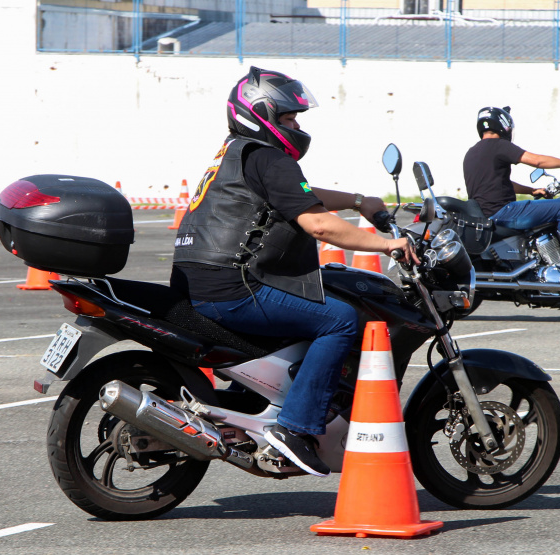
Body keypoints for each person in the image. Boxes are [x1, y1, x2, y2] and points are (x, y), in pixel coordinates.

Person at [170, 67, 418, 477]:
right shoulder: (268, 156)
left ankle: (255, 401)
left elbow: (301, 194)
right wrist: (388, 243)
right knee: (340, 319)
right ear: (262, 113)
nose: (297, 126)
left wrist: (358, 200)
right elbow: (318, 223)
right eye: (289, 118)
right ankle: (297, 428)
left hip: (199, 281)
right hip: (233, 287)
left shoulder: (238, 151)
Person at [462, 106, 560, 280]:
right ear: (504, 125)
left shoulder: (471, 153)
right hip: (504, 211)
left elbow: (500, 184)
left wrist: (532, 190)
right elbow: (537, 161)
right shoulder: (499, 146)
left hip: (486, 215)